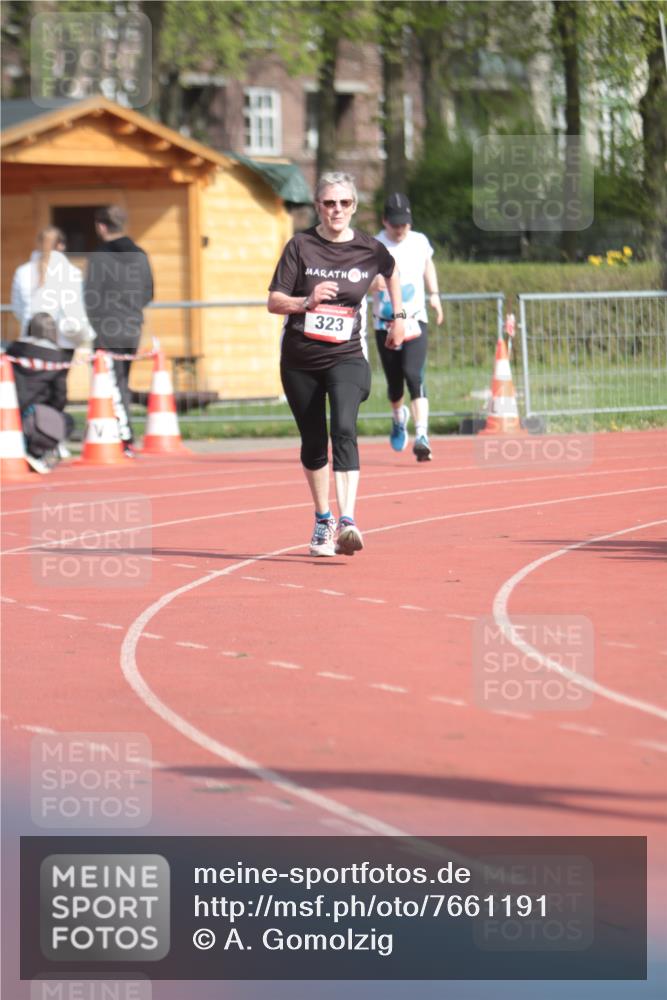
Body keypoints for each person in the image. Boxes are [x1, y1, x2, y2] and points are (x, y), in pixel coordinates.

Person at [268, 172, 405, 556]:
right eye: (329, 203)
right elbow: (275, 301)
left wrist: (400, 316)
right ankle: (323, 518)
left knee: (343, 426)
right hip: (300, 358)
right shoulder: (300, 247)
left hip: (345, 356)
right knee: (314, 440)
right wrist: (305, 302)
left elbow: (391, 273)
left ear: (355, 207)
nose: (337, 210)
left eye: (344, 203)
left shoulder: (369, 249)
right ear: (318, 207)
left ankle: (348, 520)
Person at [372, 192, 443, 462]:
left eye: (405, 224)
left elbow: (428, 266)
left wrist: (435, 295)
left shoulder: (419, 241)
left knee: (414, 374)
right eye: (395, 224)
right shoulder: (374, 244)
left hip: (414, 318)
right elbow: (359, 278)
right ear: (384, 221)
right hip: (385, 323)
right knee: (394, 385)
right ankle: (398, 417)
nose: (400, 229)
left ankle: (422, 435)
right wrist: (372, 284)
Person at [84, 205, 154, 456]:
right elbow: (148, 292)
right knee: (119, 383)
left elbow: (90, 296)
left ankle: (124, 438)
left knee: (111, 384)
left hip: (107, 327)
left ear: (101, 226)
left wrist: (97, 323)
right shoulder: (140, 255)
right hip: (132, 326)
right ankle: (114, 434)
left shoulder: (100, 256)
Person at [5, 313, 75, 474]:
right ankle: (36, 451)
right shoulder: (57, 358)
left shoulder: (12, 351)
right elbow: (59, 396)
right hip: (35, 419)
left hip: (8, 413)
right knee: (67, 421)